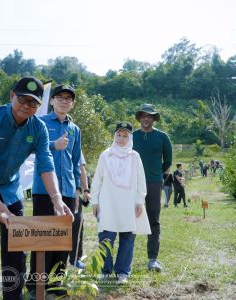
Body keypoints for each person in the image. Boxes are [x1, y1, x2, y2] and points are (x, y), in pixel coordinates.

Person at [0, 76, 73, 300]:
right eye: (22, 100)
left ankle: (13, 297)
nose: (26, 106)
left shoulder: (38, 128)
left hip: (10, 187)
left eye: (33, 103)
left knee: (16, 244)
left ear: (39, 107)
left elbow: (46, 164)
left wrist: (57, 200)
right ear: (12, 96)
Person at [26, 84, 82, 296]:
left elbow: (76, 161)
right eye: (59, 97)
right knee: (42, 239)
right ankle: (35, 285)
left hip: (67, 190)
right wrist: (53, 144)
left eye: (68, 98)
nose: (64, 101)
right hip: (44, 190)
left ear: (72, 103)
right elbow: (31, 147)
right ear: (51, 101)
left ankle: (56, 284)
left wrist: (77, 189)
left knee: (62, 241)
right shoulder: (39, 122)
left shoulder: (75, 129)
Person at [91, 122, 151, 285]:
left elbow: (141, 181)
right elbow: (97, 179)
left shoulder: (134, 156)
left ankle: (123, 272)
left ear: (130, 137)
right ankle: (105, 270)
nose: (121, 138)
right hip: (108, 203)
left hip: (128, 203)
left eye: (125, 136)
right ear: (114, 136)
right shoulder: (105, 155)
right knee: (106, 238)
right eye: (118, 134)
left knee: (127, 238)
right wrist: (95, 201)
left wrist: (140, 201)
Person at [132, 103, 172, 272]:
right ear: (140, 117)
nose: (146, 118)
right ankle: (126, 259)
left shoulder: (162, 137)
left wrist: (156, 174)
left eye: (150, 116)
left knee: (153, 219)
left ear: (154, 118)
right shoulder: (131, 136)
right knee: (130, 219)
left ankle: (152, 259)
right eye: (143, 115)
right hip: (132, 184)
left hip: (154, 183)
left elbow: (168, 161)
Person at [69, 152, 90, 269]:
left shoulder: (76, 144)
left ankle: (75, 258)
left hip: (74, 192)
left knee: (77, 223)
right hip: (55, 190)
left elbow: (82, 169)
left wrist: (86, 189)